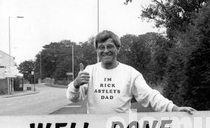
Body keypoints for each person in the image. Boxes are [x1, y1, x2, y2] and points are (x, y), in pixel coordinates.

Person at [66, 30, 195, 115]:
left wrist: (174, 108)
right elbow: (73, 98)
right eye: (101, 47)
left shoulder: (130, 73)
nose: (105, 51)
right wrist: (76, 84)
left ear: (118, 49)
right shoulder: (90, 71)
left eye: (110, 46)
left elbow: (149, 96)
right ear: (97, 51)